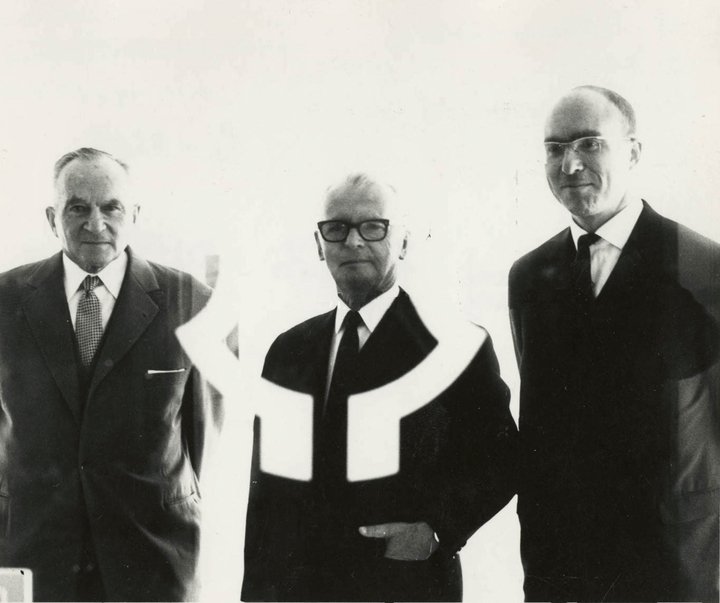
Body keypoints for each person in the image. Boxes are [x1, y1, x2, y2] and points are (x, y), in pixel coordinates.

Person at [242, 173, 518, 602]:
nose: (353, 242)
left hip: (405, 586)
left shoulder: (456, 345)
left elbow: (501, 460)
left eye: (374, 227)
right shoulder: (288, 349)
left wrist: (437, 531)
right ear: (319, 245)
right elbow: (267, 492)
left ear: (404, 242)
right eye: (336, 229)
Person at [509, 86, 720, 602]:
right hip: (560, 565)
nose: (570, 163)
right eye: (555, 149)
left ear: (633, 151)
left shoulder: (704, 267)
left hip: (672, 562)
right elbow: (541, 417)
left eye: (589, 143)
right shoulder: (530, 276)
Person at [0, 148, 223, 601]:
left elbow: (204, 440)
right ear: (51, 217)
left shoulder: (192, 303)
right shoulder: (5, 301)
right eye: (77, 207)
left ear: (135, 214)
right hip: (33, 558)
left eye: (111, 207)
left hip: (152, 558)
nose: (95, 223)